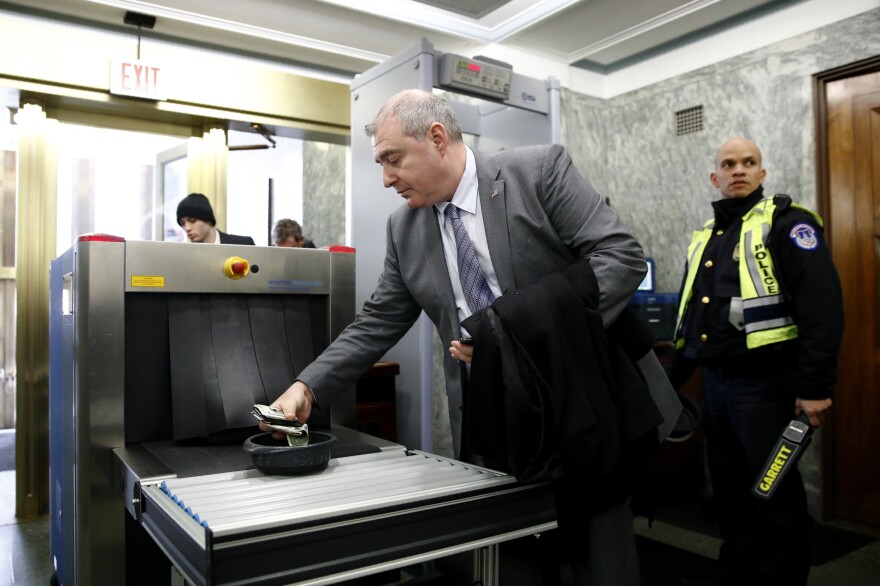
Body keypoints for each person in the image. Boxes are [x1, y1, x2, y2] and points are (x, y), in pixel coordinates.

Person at [260, 89, 652, 585]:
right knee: (511, 564)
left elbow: (621, 258)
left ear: (438, 138)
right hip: (491, 423)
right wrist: (308, 386)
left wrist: (510, 336)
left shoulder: (538, 172)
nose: (385, 179)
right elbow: (377, 320)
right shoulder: (405, 229)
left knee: (601, 562)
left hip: (576, 410)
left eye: (392, 159)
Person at [665, 137, 844, 585]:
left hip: (766, 387)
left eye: (749, 163)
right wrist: (665, 385)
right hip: (718, 387)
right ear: (716, 176)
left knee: (774, 493)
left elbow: (822, 308)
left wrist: (816, 387)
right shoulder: (705, 237)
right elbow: (693, 322)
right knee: (730, 494)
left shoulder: (786, 223)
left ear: (762, 174)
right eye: (729, 164)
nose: (738, 170)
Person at [176, 192, 255, 245]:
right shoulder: (185, 255)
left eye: (192, 220)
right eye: (182, 224)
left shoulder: (242, 244)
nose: (187, 228)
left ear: (209, 220)